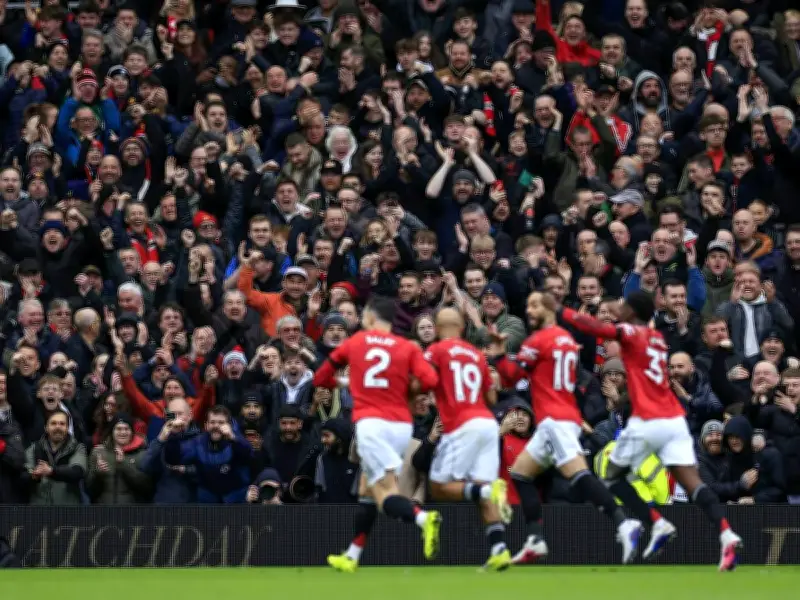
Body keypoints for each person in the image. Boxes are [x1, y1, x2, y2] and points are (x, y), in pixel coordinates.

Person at [560, 290, 743, 570]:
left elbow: (596, 328)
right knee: (693, 484)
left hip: (648, 419)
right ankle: (727, 534)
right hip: (674, 420)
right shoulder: (656, 338)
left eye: (624, 306)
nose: (620, 309)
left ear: (633, 312)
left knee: (609, 476)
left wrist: (560, 311)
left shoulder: (632, 332)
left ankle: (656, 522)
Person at [491, 291, 642, 565]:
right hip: (562, 415)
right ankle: (535, 539)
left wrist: (499, 354)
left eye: (535, 305)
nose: (529, 310)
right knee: (521, 474)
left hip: (554, 420)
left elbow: (511, 376)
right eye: (528, 305)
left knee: (579, 475)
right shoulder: (567, 339)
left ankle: (623, 522)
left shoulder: (537, 340)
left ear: (549, 308)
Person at [313, 296, 441, 571]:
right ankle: (352, 555)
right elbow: (430, 380)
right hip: (401, 427)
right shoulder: (406, 346)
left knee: (385, 492)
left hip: (372, 424)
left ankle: (423, 519)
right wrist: (403, 388)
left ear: (370, 317)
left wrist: (343, 382)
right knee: (366, 490)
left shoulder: (356, 342)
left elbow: (320, 378)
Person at [425, 307, 511, 571]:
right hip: (487, 423)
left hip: (461, 424)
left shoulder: (436, 351)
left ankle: (487, 490)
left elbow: (423, 379)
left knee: (438, 487)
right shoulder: (476, 355)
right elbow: (492, 397)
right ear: (462, 329)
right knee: (480, 487)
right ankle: (499, 550)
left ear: (437, 329)